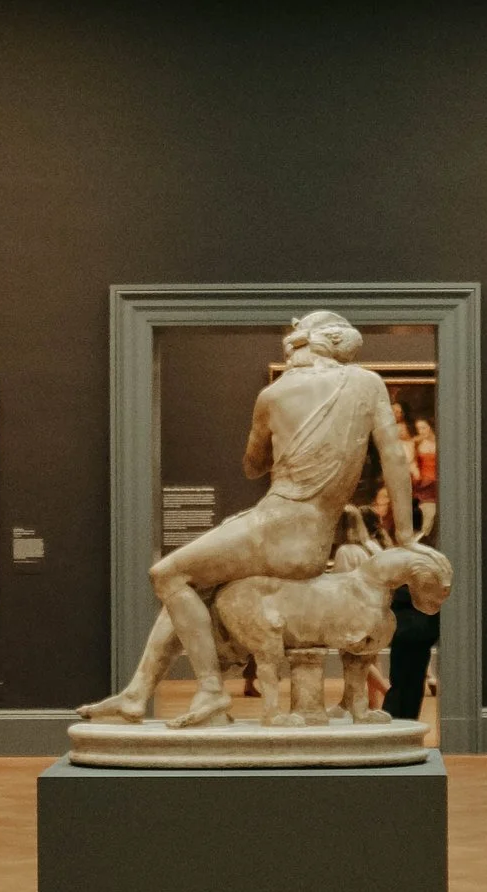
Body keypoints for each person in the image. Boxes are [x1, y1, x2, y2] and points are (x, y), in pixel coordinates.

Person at [84, 309, 416, 729]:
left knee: (167, 575)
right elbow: (393, 457)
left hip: (276, 526)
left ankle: (209, 691)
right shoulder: (368, 384)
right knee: (191, 585)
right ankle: (136, 696)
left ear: (302, 344)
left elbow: (252, 466)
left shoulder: (273, 396)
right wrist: (405, 535)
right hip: (308, 539)